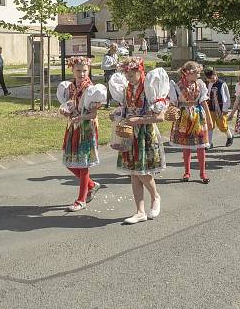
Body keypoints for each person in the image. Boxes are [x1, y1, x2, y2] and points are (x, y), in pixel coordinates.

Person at [113, 57, 167, 224]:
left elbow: (160, 118)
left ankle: (155, 196)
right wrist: (117, 115)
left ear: (140, 71)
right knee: (133, 173)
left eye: (131, 73)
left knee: (142, 172)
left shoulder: (150, 88)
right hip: (129, 134)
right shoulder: (126, 89)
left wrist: (139, 120)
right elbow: (126, 109)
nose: (128, 77)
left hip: (145, 133)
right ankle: (140, 211)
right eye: (126, 74)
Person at [57, 57, 105, 212]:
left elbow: (93, 114)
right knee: (69, 162)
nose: (82, 74)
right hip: (73, 127)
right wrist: (65, 110)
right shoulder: (70, 87)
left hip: (86, 128)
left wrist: (81, 117)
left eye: (85, 70)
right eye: (78, 71)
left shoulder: (91, 89)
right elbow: (70, 105)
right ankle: (92, 185)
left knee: (83, 164)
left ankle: (81, 200)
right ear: (72, 70)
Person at [168, 62, 213, 184]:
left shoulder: (200, 84)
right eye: (197, 72)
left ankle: (203, 173)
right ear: (188, 73)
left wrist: (209, 119)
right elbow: (173, 103)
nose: (199, 74)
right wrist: (172, 111)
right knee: (186, 146)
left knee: (201, 145)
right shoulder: (177, 86)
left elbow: (203, 102)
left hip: (198, 116)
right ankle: (187, 172)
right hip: (184, 117)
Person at [204, 67, 234, 147]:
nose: (211, 79)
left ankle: (230, 136)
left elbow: (226, 97)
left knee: (222, 126)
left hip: (219, 108)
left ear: (215, 74)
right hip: (210, 108)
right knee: (209, 125)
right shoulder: (206, 84)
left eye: (212, 77)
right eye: (209, 78)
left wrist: (225, 109)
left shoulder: (222, 84)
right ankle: (209, 143)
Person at [101, 44, 119, 108]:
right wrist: (111, 66)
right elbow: (102, 67)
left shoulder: (116, 55)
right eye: (114, 50)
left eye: (116, 50)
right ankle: (107, 103)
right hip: (108, 73)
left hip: (115, 72)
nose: (116, 51)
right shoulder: (106, 57)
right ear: (111, 49)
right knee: (110, 87)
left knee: (115, 87)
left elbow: (117, 63)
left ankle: (113, 100)